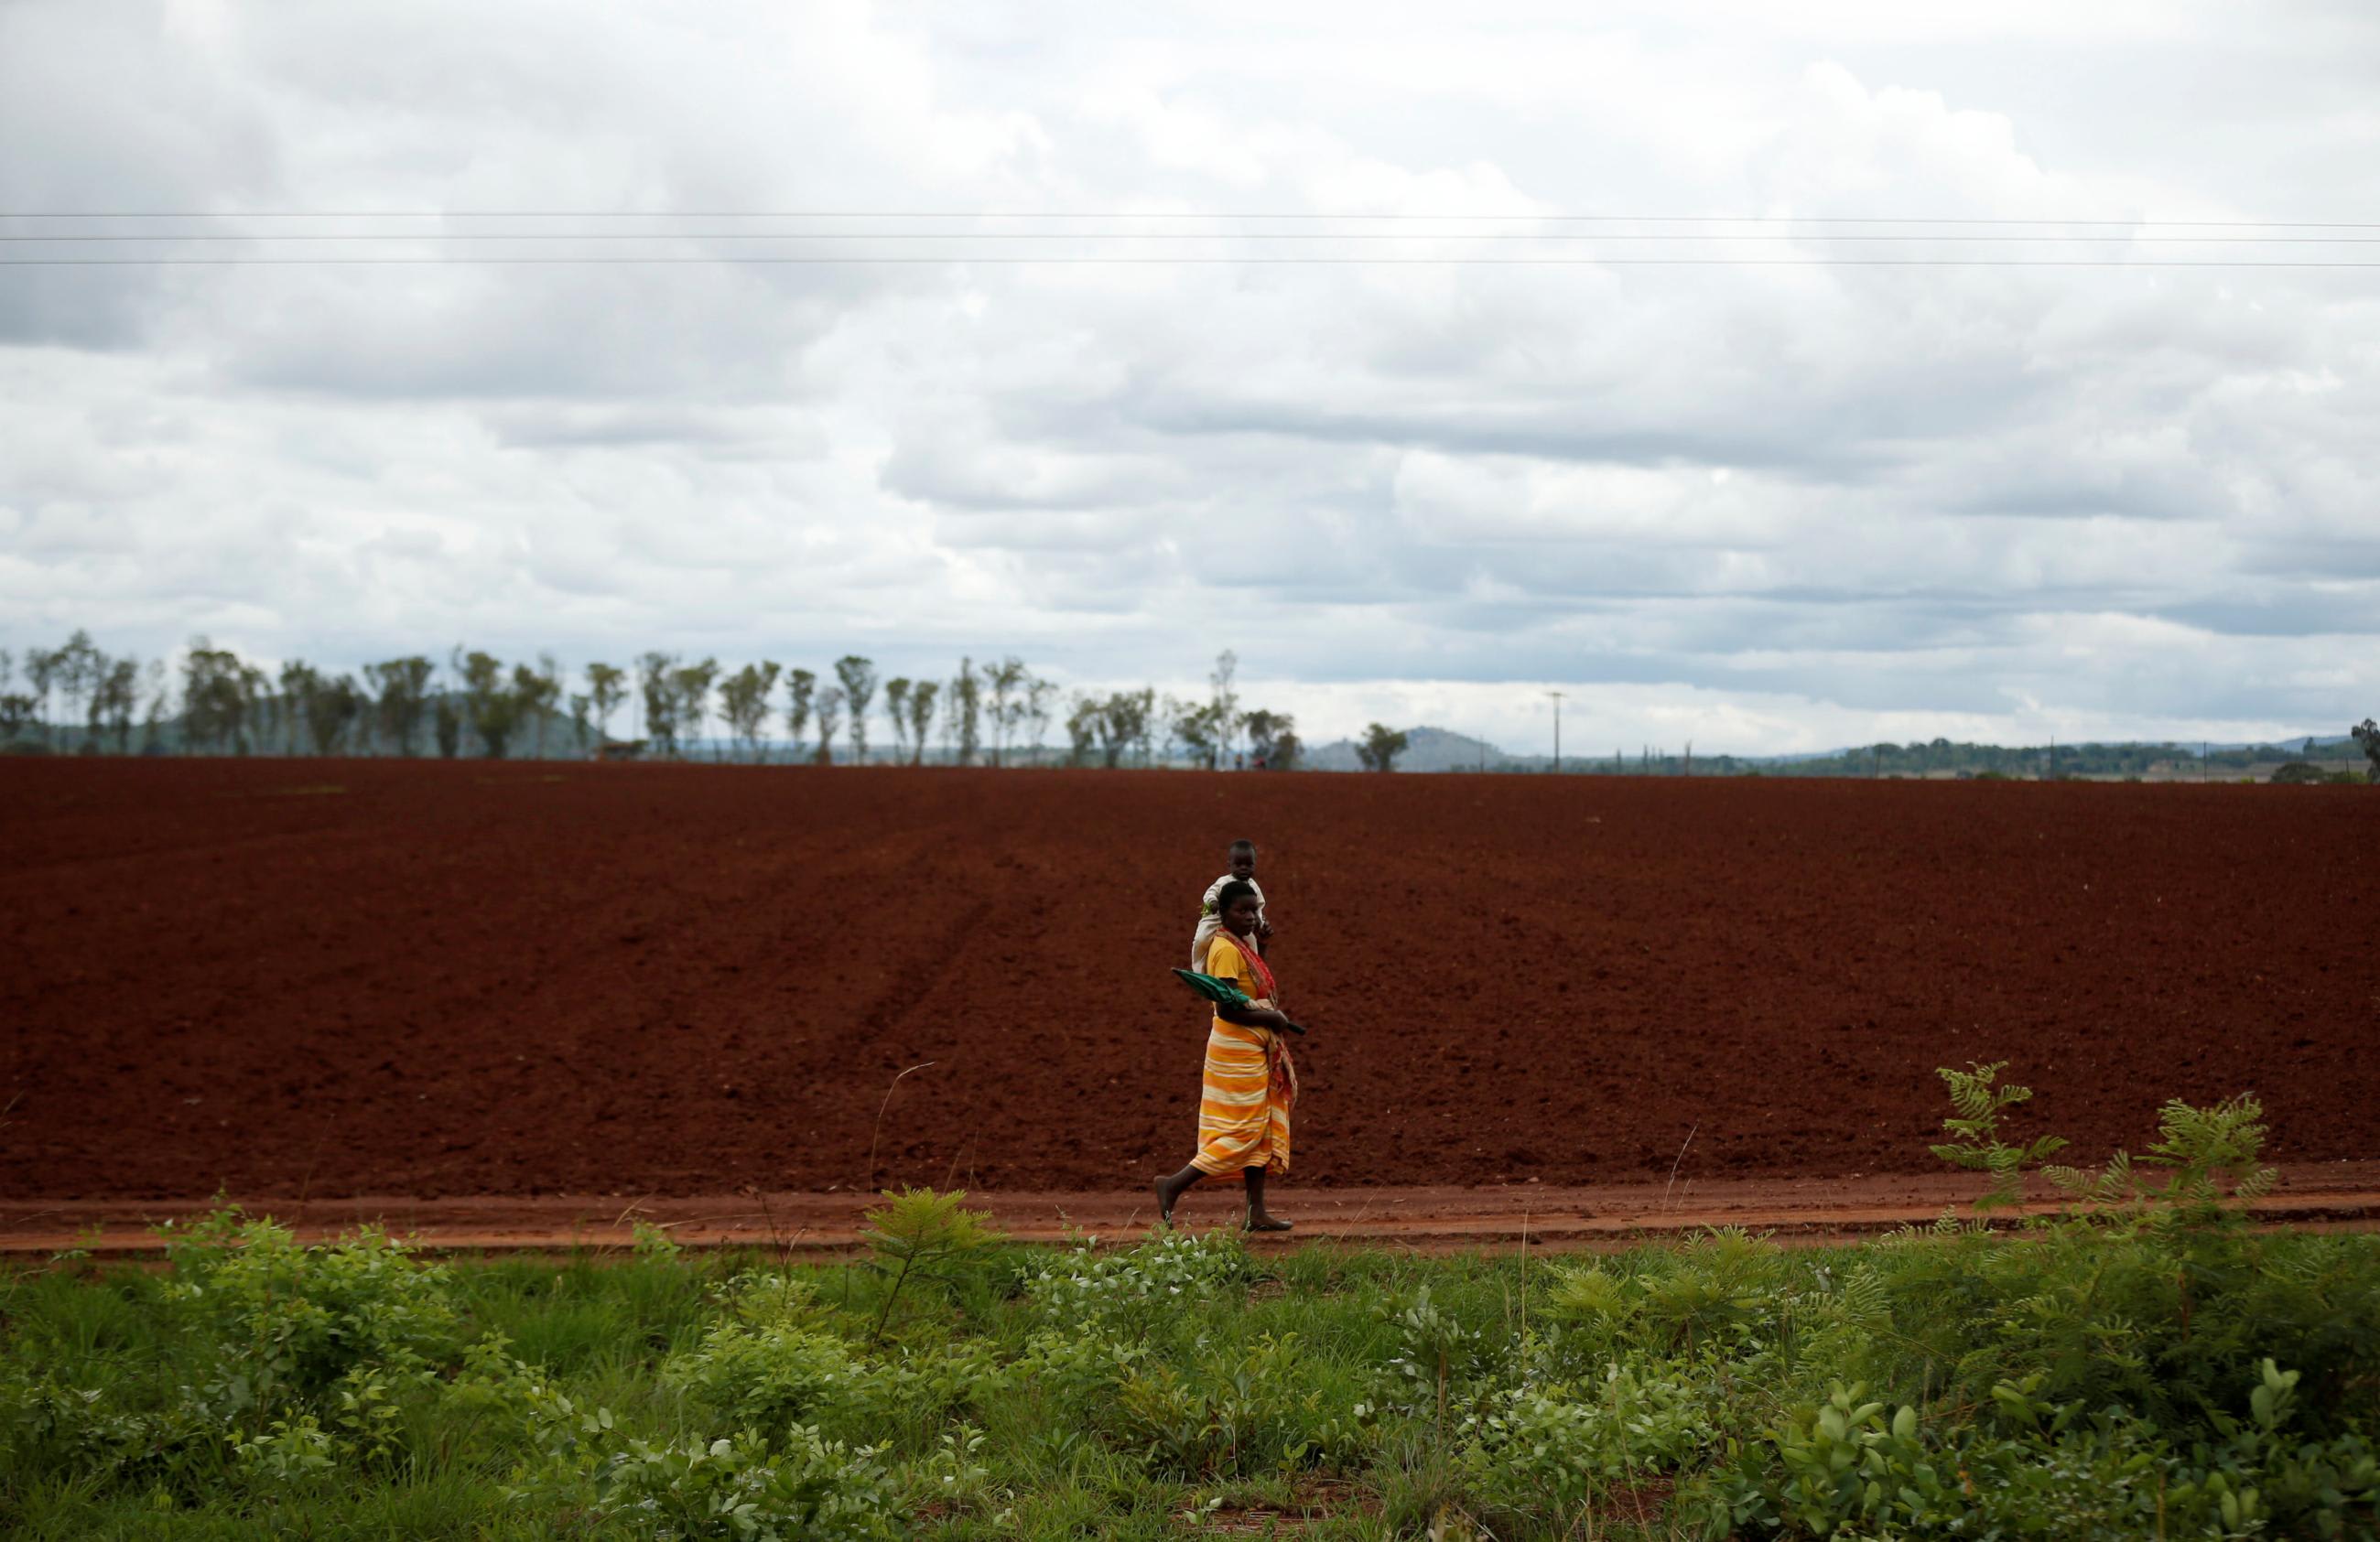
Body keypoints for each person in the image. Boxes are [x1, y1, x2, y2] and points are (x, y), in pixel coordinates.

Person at [1155, 879, 1300, 1231]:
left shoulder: (1240, 945)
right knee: (1244, 1130)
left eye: (1254, 910)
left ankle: (1256, 1213)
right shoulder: (1224, 949)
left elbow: (1249, 989)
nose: (1251, 917)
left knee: (1259, 1126)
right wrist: (1273, 1018)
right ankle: (1172, 1184)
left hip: (1249, 1047)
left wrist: (1262, 948)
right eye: (1242, 910)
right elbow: (1227, 1010)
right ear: (1223, 913)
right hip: (1236, 1050)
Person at [1190, 838, 1274, 968]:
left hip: (1242, 923)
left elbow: (1258, 907)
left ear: (1254, 864)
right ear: (1229, 865)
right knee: (1201, 940)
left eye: (1249, 864)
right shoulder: (1224, 881)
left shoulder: (1254, 886)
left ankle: (1255, 969)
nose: (1244, 868)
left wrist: (1259, 923)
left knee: (1252, 944)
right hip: (1216, 919)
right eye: (1238, 864)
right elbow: (1210, 893)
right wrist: (1213, 902)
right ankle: (1199, 970)